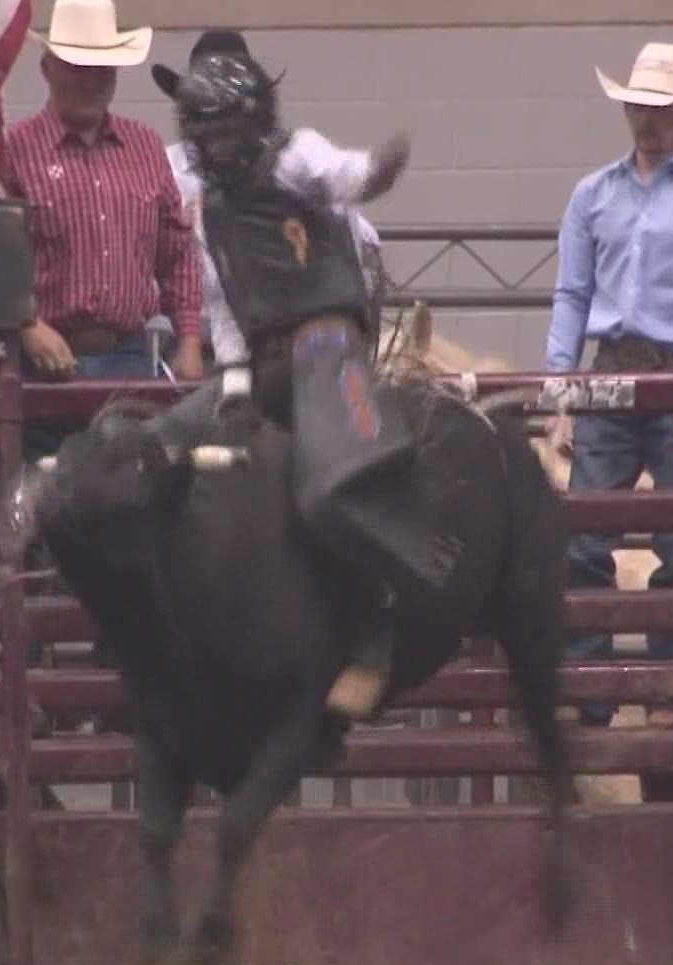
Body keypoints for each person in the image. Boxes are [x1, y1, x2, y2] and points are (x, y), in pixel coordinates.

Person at [156, 47, 419, 723]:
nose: (210, 143)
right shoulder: (208, 208)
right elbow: (224, 302)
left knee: (333, 480)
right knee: (183, 456)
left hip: (326, 341)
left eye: (219, 128)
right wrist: (236, 385)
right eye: (200, 130)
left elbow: (349, 178)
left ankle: (379, 621)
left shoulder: (298, 157)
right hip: (265, 359)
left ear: (247, 123)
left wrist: (379, 167)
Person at [541, 42, 673, 736]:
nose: (646, 120)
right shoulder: (592, 195)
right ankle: (593, 694)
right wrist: (561, 389)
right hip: (609, 374)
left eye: (659, 109)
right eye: (639, 106)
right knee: (582, 539)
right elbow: (570, 295)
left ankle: (670, 693)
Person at [1, 0, 202, 415]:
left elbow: (177, 250)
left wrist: (189, 339)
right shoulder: (15, 151)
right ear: (47, 69)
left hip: (127, 356)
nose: (91, 81)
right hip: (44, 362)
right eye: (77, 67)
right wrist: (26, 325)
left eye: (102, 70)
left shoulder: (145, 147)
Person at [154, 29, 384, 373]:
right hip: (193, 338)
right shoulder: (165, 170)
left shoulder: (288, 163)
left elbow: (359, 234)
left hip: (278, 335)